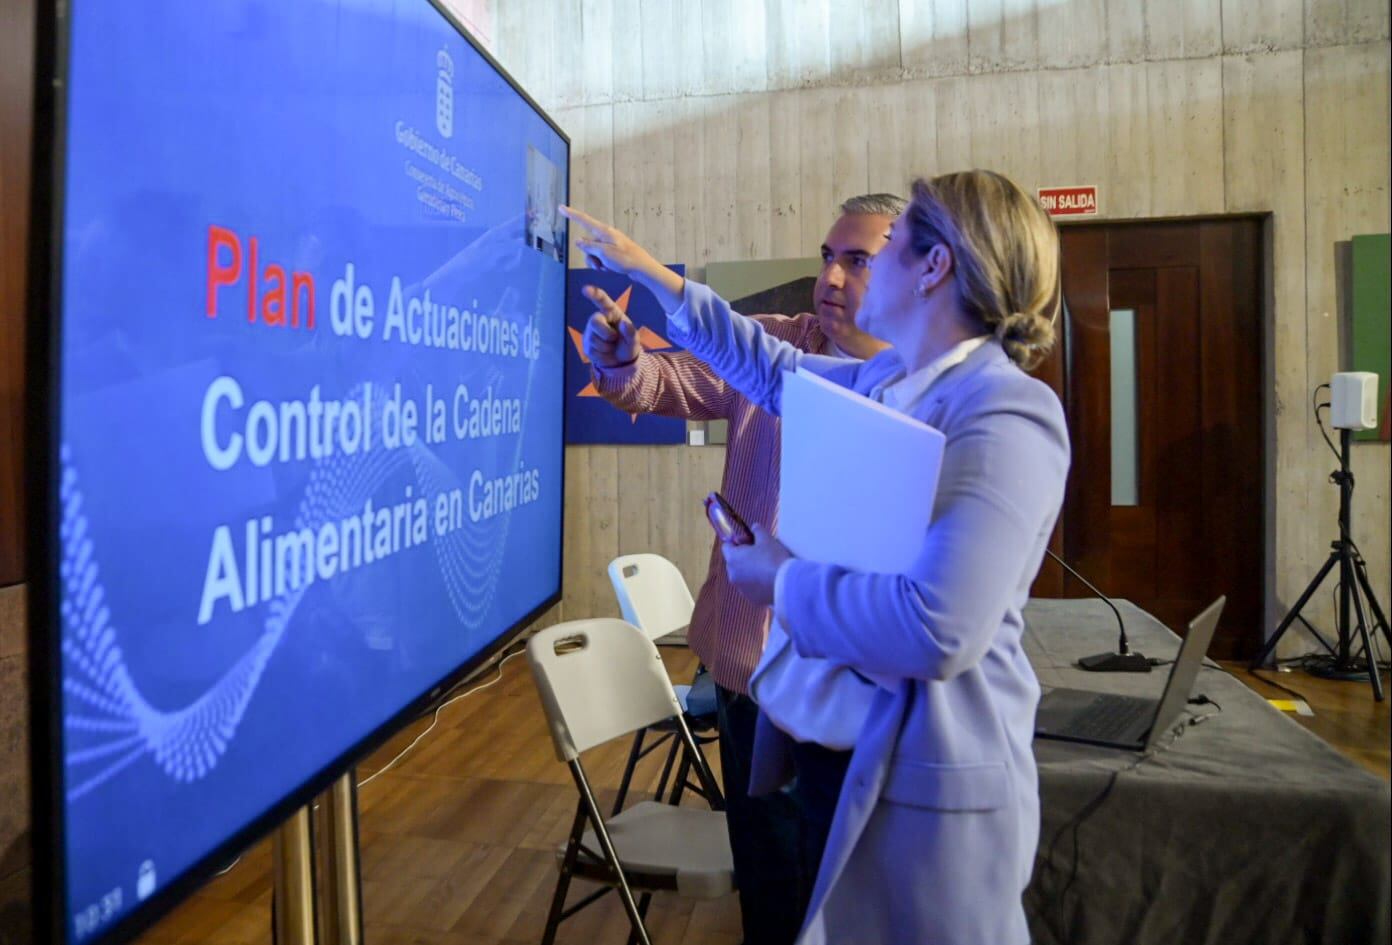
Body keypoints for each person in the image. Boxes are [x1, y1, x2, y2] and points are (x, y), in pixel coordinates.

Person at [562, 169, 1069, 944]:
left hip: (927, 777)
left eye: (885, 248)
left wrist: (781, 580)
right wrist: (649, 271)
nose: (838, 275)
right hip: (847, 745)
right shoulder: (892, 378)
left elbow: (939, 626)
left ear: (934, 268)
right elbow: (768, 368)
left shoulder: (1006, 409)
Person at [572, 194, 905, 945]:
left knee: (854, 892)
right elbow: (667, 383)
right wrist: (620, 359)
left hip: (863, 678)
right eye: (828, 255)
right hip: (755, 667)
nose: (832, 275)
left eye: (857, 261)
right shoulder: (775, 344)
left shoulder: (919, 386)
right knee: (774, 881)